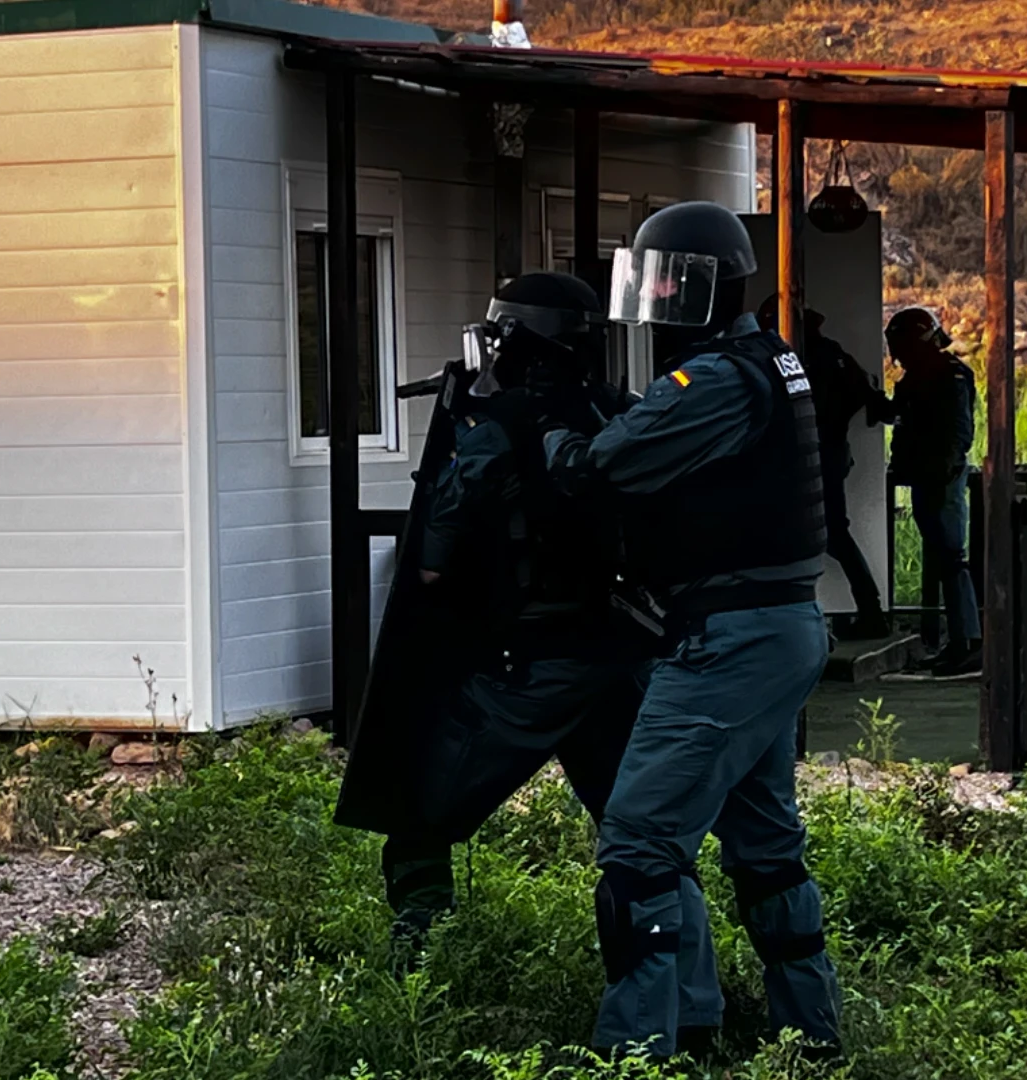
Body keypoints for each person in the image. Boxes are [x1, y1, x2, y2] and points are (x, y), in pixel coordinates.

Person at [545, 201, 841, 1060]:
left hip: (729, 640)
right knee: (765, 848)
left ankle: (639, 1052)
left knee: (637, 848)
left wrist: (559, 423)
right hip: (776, 628)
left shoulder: (713, 377)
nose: (659, 292)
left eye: (670, 276)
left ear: (709, 283)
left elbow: (607, 466)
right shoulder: (770, 358)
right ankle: (807, 1041)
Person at [337, 272, 652, 966]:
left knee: (418, 817)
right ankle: (663, 992)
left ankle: (412, 974)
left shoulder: (496, 431)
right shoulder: (619, 413)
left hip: (528, 668)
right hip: (619, 654)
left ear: (514, 340)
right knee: (640, 837)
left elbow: (431, 564)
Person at [755, 296, 888, 639]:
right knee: (830, 534)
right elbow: (868, 394)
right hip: (829, 453)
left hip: (812, 457)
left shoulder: (796, 359)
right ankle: (868, 609)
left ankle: (860, 612)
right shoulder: (832, 354)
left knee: (816, 534)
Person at [872, 306, 981, 676]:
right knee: (946, 560)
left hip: (940, 478)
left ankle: (968, 643)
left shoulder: (949, 376)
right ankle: (961, 643)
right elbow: (896, 414)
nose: (897, 355)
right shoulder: (920, 376)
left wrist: (943, 469)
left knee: (952, 559)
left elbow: (958, 433)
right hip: (925, 475)